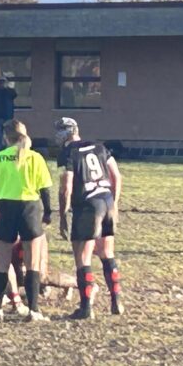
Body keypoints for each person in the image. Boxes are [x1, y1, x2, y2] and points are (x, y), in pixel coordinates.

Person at [0, 120, 53, 322]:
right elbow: (45, 189)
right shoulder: (36, 158)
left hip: (6, 210)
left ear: (6, 137)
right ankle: (34, 310)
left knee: (2, 263)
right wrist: (47, 212)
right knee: (32, 263)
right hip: (30, 209)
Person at [55, 117, 124, 320]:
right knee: (106, 253)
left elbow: (66, 185)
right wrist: (115, 202)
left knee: (82, 258)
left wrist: (62, 214)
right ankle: (116, 299)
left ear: (64, 133)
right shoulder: (100, 146)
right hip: (107, 200)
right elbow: (116, 176)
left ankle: (86, 307)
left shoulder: (68, 152)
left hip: (86, 206)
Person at [0, 75, 17, 152]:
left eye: (3, 82)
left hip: (7, 117)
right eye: (1, 82)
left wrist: (7, 88)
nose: (2, 83)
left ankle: (8, 150)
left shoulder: (10, 91)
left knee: (7, 135)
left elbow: (14, 95)